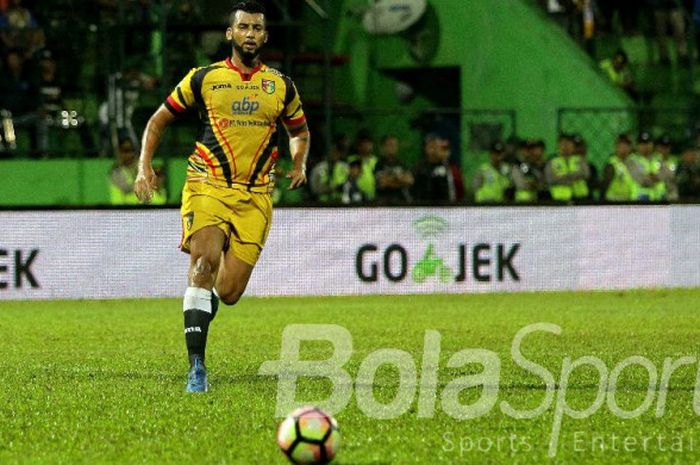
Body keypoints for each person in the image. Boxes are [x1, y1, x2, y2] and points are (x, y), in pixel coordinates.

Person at [133, 0, 309, 393]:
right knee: (204, 260)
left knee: (228, 292)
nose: (250, 34)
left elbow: (300, 131)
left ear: (265, 35)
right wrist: (145, 166)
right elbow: (158, 120)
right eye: (243, 27)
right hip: (207, 185)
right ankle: (197, 367)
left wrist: (299, 164)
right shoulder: (204, 78)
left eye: (257, 28)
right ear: (229, 34)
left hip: (257, 195)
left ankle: (198, 303)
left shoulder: (280, 85)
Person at [413, 132, 464, 203]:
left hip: (447, 206)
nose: (434, 150)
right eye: (431, 147)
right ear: (426, 149)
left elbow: (458, 188)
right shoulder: (420, 167)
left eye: (436, 147)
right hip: (425, 207)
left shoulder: (450, 167)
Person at [375, 134, 414, 204]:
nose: (392, 148)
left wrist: (391, 179)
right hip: (384, 203)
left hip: (402, 202)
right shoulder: (379, 164)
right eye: (389, 145)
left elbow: (409, 180)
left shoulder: (401, 164)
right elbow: (382, 182)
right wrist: (400, 179)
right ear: (384, 147)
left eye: (394, 145)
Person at [600, 133, 635, 202]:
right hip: (613, 201)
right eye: (621, 145)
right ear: (616, 146)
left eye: (627, 145)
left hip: (630, 199)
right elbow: (605, 184)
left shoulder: (633, 162)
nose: (624, 148)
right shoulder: (611, 164)